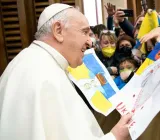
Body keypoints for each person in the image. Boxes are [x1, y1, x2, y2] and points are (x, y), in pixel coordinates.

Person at [0, 3, 132, 140]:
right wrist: (115, 136)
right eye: (84, 32)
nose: (90, 42)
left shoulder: (33, 60)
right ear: (58, 30)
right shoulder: (43, 75)